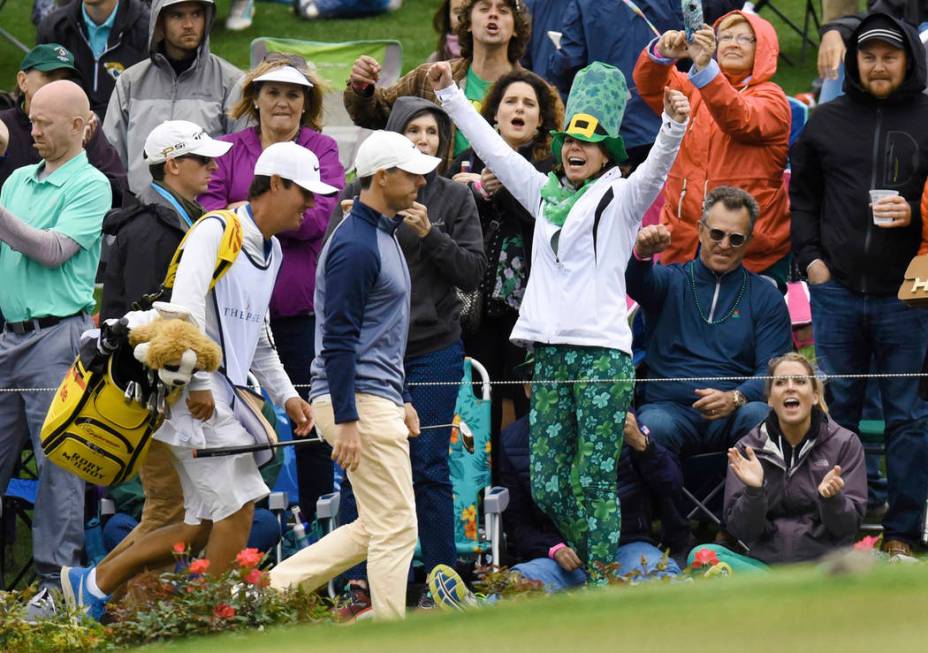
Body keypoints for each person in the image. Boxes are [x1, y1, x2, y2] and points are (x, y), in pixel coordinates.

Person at [430, 59, 690, 582]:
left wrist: (674, 124)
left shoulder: (621, 197)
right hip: (548, 353)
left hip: (601, 357)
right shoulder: (543, 194)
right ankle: (598, 566)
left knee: (595, 480)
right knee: (548, 480)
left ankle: (599, 583)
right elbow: (496, 151)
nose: (574, 149)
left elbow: (659, 167)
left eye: (587, 144)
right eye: (569, 140)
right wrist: (450, 96)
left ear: (605, 154)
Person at [60, 141, 325, 621]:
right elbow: (183, 312)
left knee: (200, 525)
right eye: (304, 192)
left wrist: (286, 397)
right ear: (277, 185)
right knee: (238, 509)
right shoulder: (216, 229)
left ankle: (94, 584)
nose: (311, 204)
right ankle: (209, 619)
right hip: (192, 393)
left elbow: (259, 336)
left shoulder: (275, 250)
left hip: (222, 396)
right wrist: (200, 383)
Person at [269, 131, 441, 621]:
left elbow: (381, 334)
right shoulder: (357, 244)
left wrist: (402, 396)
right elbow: (339, 338)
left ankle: (266, 592)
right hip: (356, 400)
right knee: (398, 525)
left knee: (378, 523)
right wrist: (346, 417)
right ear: (382, 177)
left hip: (373, 396)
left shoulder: (381, 236)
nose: (420, 180)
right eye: (410, 172)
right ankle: (387, 629)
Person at [327, 97, 485, 615]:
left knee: (431, 465)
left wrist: (429, 234)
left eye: (432, 132)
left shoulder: (452, 199)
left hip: (434, 350)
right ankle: (359, 587)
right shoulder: (362, 196)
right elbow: (339, 285)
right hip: (374, 361)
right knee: (363, 469)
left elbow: (471, 274)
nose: (424, 141)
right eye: (413, 131)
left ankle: (443, 580)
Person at [790, 11, 928, 558]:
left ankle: (901, 533)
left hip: (908, 296)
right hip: (838, 290)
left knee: (909, 418)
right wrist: (812, 263)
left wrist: (915, 223)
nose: (877, 65)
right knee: (837, 414)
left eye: (888, 56)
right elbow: (802, 198)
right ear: (853, 62)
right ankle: (839, 530)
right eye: (867, 55)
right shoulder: (826, 119)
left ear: (908, 60)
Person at [199, 56, 345, 524]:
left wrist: (251, 209)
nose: (282, 101)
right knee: (236, 424)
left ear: (307, 103)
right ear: (255, 98)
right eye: (272, 91)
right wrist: (266, 210)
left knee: (309, 423)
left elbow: (317, 217)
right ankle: (253, 528)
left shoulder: (321, 148)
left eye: (294, 93)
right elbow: (210, 215)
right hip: (232, 318)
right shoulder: (226, 148)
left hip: (297, 314)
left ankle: (318, 528)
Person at [95, 119, 231, 576]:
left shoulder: (172, 219)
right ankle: (101, 598)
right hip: (155, 396)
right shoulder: (157, 229)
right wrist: (189, 386)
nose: (213, 167)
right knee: (169, 512)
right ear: (172, 165)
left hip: (160, 392)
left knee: (175, 511)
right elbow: (151, 323)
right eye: (202, 159)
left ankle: (113, 605)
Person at [0, 80, 110, 609]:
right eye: (29, 118)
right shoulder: (17, 179)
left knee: (58, 469)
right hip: (7, 336)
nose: (32, 129)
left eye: (43, 121)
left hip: (57, 339)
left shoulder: (92, 185)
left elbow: (50, 251)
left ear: (78, 125)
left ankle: (56, 587)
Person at [626, 187, 792, 464]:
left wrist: (736, 397)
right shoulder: (670, 280)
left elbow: (772, 370)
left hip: (736, 410)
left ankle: (747, 507)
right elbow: (637, 283)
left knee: (762, 418)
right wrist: (642, 254)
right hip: (669, 408)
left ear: (749, 241)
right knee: (653, 426)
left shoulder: (766, 297)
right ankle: (665, 509)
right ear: (700, 230)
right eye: (716, 234)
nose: (725, 244)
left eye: (736, 238)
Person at [633, 11, 792, 287]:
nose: (732, 43)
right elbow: (649, 85)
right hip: (684, 244)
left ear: (764, 49)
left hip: (749, 252)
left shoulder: (773, 98)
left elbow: (738, 117)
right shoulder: (695, 86)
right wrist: (662, 54)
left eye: (745, 38)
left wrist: (706, 70)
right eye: (726, 36)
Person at [447, 68, 562, 441]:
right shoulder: (466, 163)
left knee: (532, 408)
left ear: (540, 120)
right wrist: (475, 195)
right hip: (477, 312)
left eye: (529, 104)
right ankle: (479, 495)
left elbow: (544, 225)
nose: (519, 109)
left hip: (529, 313)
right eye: (510, 101)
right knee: (479, 407)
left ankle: (524, 494)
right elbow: (449, 231)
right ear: (494, 113)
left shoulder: (551, 171)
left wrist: (505, 190)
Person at [499, 372, 683, 591]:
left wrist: (643, 445)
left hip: (625, 547)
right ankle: (467, 607)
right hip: (560, 560)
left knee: (661, 578)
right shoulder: (513, 440)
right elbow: (518, 526)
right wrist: (553, 548)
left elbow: (671, 485)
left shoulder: (619, 421)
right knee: (514, 586)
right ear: (529, 389)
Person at [688, 353, 867, 571]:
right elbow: (741, 531)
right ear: (770, 399)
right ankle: (790, 591)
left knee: (869, 561)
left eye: (800, 381)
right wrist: (754, 492)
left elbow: (848, 528)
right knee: (701, 556)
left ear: (814, 395)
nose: (790, 388)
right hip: (762, 568)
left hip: (825, 568)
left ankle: (784, 591)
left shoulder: (846, 443)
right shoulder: (747, 447)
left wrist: (832, 499)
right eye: (781, 382)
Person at [344, 0, 534, 161]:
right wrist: (362, 88)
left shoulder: (534, 90)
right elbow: (376, 114)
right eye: (484, 9)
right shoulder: (431, 76)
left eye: (503, 11)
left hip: (508, 201)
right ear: (467, 23)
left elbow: (547, 158)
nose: (493, 15)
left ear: (516, 27)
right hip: (437, 200)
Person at [103, 0, 243, 194]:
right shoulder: (130, 82)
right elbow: (112, 155)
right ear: (159, 22)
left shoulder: (232, 81)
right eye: (177, 15)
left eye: (196, 14)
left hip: (206, 214)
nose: (188, 24)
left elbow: (241, 159)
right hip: (139, 211)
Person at [548, 0, 684, 169]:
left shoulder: (584, 4)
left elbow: (568, 63)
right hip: (662, 124)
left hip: (605, 130)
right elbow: (687, 53)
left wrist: (553, 65)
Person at [0, 44, 127, 207]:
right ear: (23, 81)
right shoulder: (4, 125)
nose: (58, 86)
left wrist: (75, 152)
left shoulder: (82, 126)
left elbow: (118, 192)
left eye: (65, 79)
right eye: (49, 76)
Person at [37, 0, 150, 117]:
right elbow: (41, 96)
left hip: (126, 130)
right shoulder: (53, 28)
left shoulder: (148, 30)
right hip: (68, 130)